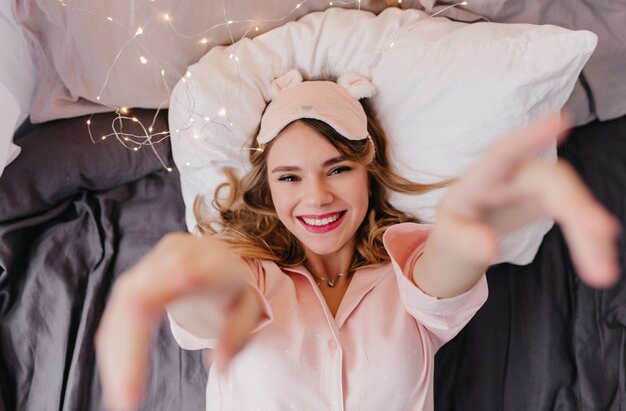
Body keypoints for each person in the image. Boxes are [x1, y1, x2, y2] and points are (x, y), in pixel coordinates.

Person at [95, 71, 620, 411]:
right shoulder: (251, 277)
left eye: (338, 168)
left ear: (369, 171)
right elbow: (214, 296)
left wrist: (468, 225)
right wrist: (193, 272)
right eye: (290, 177)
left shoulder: (406, 276)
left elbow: (450, 261)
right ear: (267, 188)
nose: (316, 197)